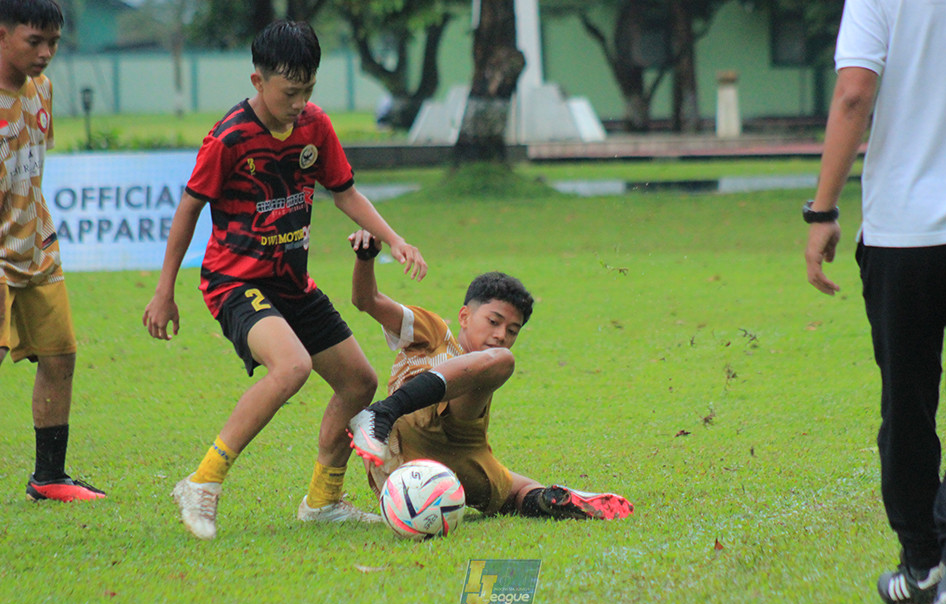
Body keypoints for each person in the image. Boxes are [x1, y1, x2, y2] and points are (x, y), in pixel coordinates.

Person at [142, 20, 426, 540]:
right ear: (258, 81)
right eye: (289, 91)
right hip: (234, 280)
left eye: (308, 90)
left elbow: (344, 193)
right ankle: (203, 482)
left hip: (291, 282)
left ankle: (323, 502)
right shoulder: (229, 137)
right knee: (291, 366)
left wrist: (396, 239)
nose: (299, 102)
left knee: (358, 382)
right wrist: (165, 292)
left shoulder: (314, 127)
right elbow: (188, 208)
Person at [804, 0, 946, 604]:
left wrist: (822, 210)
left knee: (906, 403)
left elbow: (854, 93)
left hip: (901, 234)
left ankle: (921, 565)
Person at [346, 232, 633, 521]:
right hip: (415, 435)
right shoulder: (433, 330)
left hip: (458, 456)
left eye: (512, 330)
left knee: (520, 491)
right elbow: (365, 300)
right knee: (502, 361)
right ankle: (373, 426)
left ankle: (549, 501)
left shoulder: (490, 359)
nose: (501, 335)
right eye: (494, 322)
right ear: (464, 316)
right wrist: (365, 257)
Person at [0, 0, 104, 502]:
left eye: (54, 43)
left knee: (60, 356)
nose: (46, 54)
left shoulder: (42, 88)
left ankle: (49, 477)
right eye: (34, 41)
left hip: (37, 248)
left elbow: (31, 167)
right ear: (1, 34)